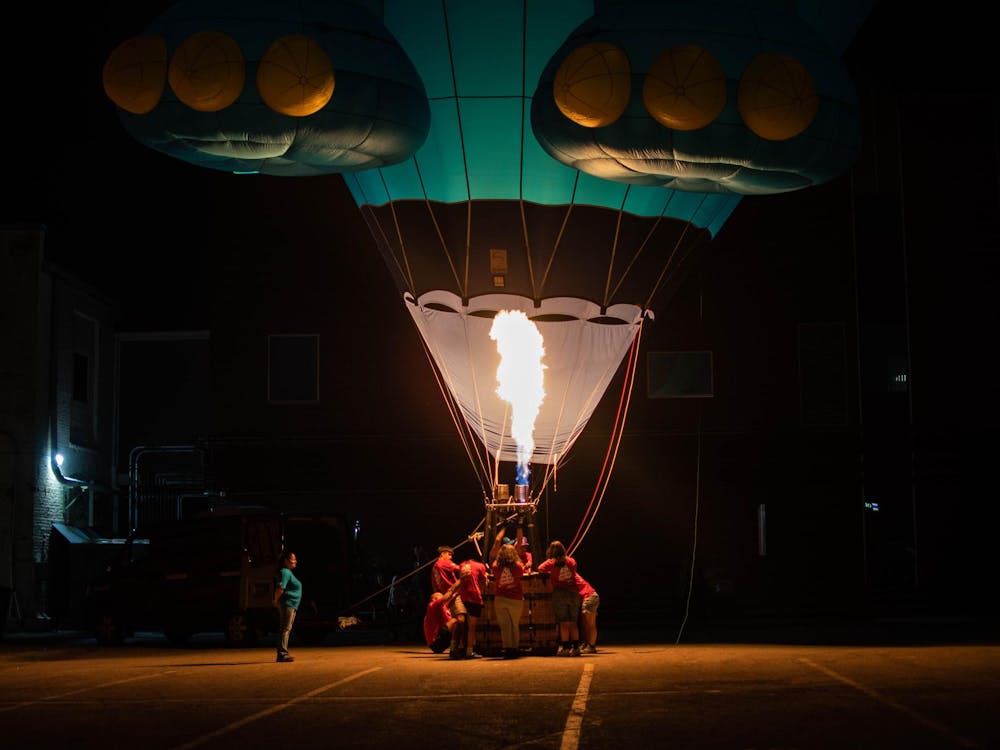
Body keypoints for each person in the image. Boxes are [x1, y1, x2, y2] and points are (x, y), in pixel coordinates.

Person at [536, 540, 582, 656]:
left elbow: (540, 568)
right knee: (573, 622)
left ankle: (566, 648)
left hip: (560, 593)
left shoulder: (551, 563)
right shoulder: (571, 561)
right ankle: (576, 648)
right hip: (573, 593)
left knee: (563, 622)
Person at [490, 542, 526, 659]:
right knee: (514, 625)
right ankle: (515, 649)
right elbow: (521, 573)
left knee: (505, 626)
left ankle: (507, 649)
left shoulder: (495, 566)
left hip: (500, 598)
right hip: (516, 598)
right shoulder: (518, 566)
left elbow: (494, 567)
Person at [453, 556, 488, 659]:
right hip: (474, 596)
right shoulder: (480, 566)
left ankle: (457, 648)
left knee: (463, 624)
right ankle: (469, 651)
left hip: (463, 596)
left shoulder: (462, 565)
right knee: (472, 626)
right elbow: (483, 581)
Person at [273, 551, 301, 663]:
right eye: (293, 559)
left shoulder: (287, 572)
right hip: (287, 603)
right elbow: (280, 588)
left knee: (286, 628)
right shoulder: (285, 572)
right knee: (285, 628)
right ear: (286, 561)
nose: (295, 561)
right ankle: (282, 654)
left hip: (291, 604)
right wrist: (275, 600)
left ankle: (282, 653)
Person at [423, 579, 461, 653]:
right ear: (435, 599)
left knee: (461, 621)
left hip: (439, 642)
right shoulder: (433, 605)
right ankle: (455, 647)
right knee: (456, 621)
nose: (443, 597)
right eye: (440, 596)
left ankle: (459, 647)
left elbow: (452, 596)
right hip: (436, 643)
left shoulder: (442, 607)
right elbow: (448, 595)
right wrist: (459, 582)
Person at [576, 573, 600, 654]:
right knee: (586, 625)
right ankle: (587, 644)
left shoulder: (571, 575)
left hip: (589, 597)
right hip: (589, 597)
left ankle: (591, 646)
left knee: (590, 625)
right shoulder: (571, 574)